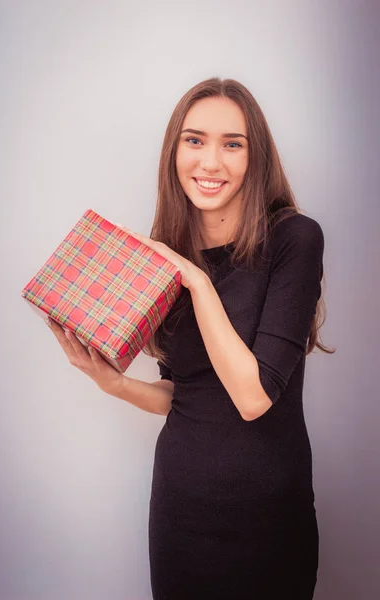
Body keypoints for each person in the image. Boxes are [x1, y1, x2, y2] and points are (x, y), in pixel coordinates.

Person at [46, 77, 335, 599]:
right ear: (174, 152)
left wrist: (198, 282)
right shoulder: (167, 255)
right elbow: (188, 394)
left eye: (233, 144)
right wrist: (112, 383)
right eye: (194, 140)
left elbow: (252, 397)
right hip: (180, 515)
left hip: (268, 520)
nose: (210, 162)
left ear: (256, 157)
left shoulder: (294, 238)